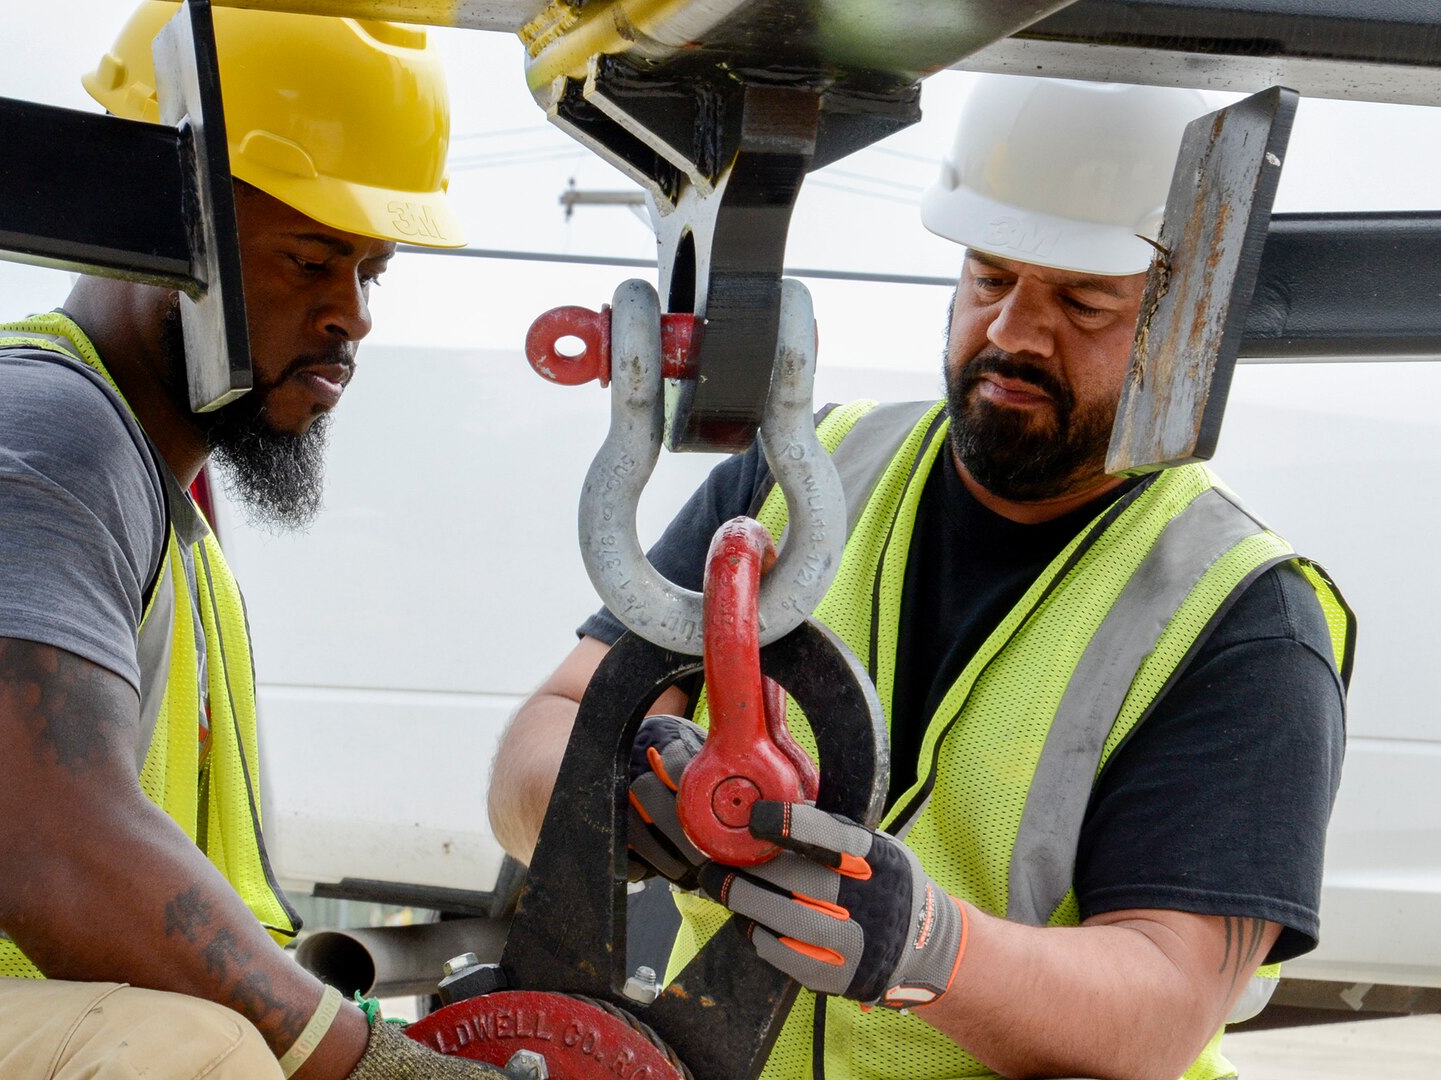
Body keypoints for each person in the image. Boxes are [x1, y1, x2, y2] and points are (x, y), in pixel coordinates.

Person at [487, 76, 1353, 1080]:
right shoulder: (790, 481)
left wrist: (930, 948)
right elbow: (532, 755)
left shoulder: (1240, 617)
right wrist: (626, 791)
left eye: (1081, 300)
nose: (1014, 333)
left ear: (1185, 324)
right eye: (990, 277)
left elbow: (1161, 1006)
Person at [0, 4, 506, 1078]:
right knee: (193, 1052)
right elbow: (46, 850)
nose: (353, 315)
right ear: (157, 220)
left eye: (368, 271)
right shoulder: (37, 427)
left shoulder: (170, 501)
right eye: (308, 260)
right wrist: (361, 1062)